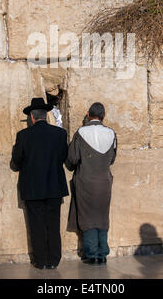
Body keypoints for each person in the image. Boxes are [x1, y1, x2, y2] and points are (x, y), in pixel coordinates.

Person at [11, 97, 69, 270]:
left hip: (32, 187)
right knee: (53, 224)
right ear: (45, 115)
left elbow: (16, 160)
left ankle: (40, 260)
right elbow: (63, 157)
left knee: (36, 225)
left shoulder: (23, 135)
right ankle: (54, 260)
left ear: (32, 117)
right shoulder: (60, 134)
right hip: (54, 187)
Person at [65, 102, 117, 265]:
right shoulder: (111, 133)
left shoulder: (81, 133)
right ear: (103, 116)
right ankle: (102, 253)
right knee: (102, 216)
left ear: (88, 114)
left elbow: (72, 159)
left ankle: (91, 253)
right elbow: (112, 159)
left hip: (85, 182)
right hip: (104, 181)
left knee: (87, 217)